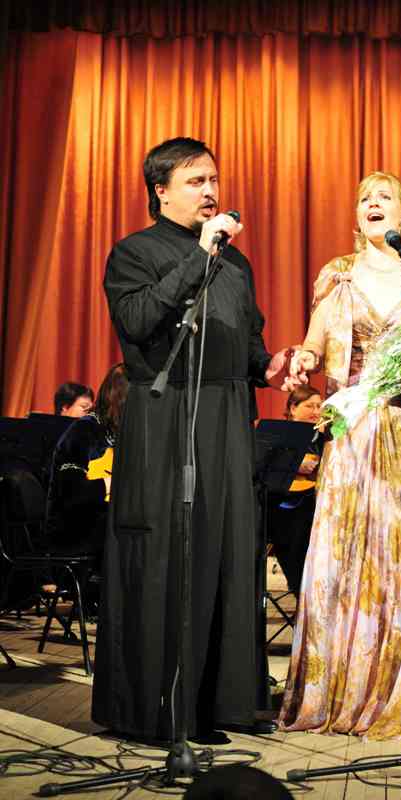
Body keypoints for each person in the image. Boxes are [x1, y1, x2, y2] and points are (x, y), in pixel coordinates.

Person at [91, 137, 299, 744]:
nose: (210, 191)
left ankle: (219, 703)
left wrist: (271, 367)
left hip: (228, 416)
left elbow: (249, 343)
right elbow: (137, 322)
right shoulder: (134, 252)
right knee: (171, 552)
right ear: (160, 191)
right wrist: (198, 256)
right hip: (166, 413)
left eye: (213, 180)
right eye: (194, 181)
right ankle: (161, 708)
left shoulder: (236, 263)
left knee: (227, 552)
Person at [277, 171, 401, 739]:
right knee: (349, 548)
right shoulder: (338, 274)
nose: (371, 203)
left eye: (383, 196)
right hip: (356, 429)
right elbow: (315, 343)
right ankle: (341, 687)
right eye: (364, 197)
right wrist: (302, 358)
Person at [46, 364, 129, 558]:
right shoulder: (83, 431)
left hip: (103, 521)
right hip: (75, 530)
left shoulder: (118, 431)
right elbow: (71, 493)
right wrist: (109, 483)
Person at [267, 385, 323, 596]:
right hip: (285, 509)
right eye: (309, 406)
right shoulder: (279, 434)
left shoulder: (323, 439)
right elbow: (265, 469)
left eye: (319, 406)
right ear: (293, 408)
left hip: (314, 507)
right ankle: (301, 590)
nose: (316, 411)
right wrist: (295, 465)